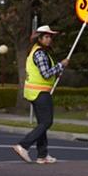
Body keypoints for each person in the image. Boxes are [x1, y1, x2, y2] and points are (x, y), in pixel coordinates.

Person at [13, 25, 69, 164]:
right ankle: (23, 145)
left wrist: (56, 71)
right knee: (46, 122)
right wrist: (60, 65)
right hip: (40, 93)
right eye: (46, 36)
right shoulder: (40, 53)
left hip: (35, 92)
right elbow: (45, 74)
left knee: (42, 123)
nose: (49, 39)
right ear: (39, 38)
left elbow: (45, 73)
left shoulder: (38, 52)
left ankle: (42, 154)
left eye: (50, 37)